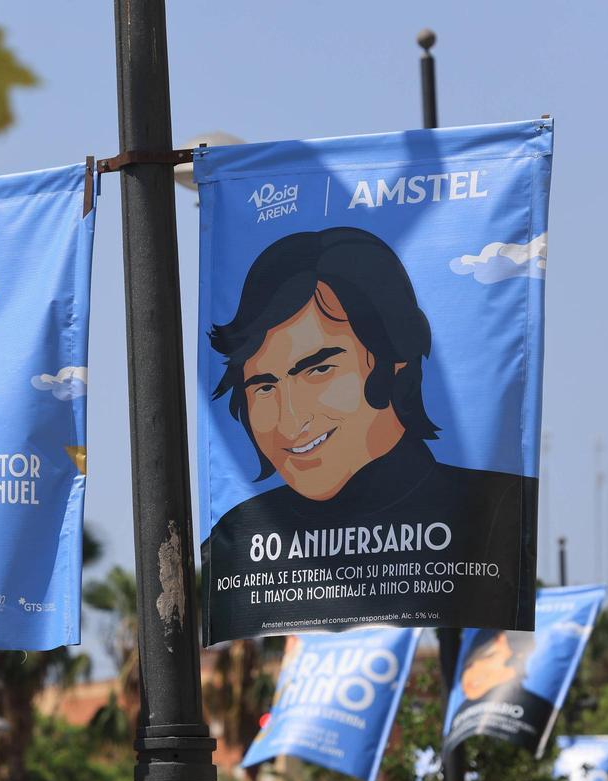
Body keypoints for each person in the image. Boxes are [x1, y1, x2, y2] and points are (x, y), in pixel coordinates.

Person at [203, 226, 536, 641]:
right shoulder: (235, 541)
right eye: (264, 386)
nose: (289, 421)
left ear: (396, 361)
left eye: (318, 370)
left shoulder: (494, 513)